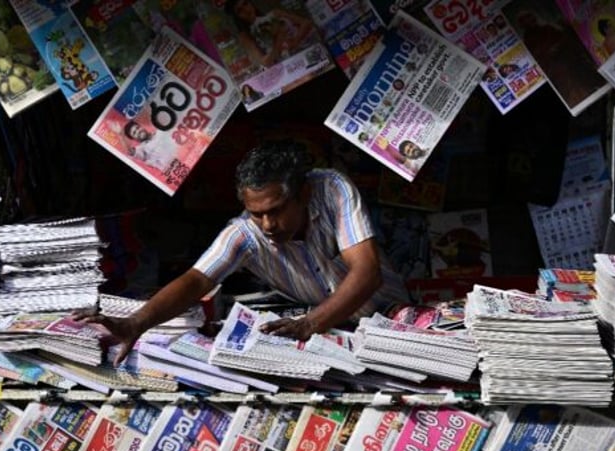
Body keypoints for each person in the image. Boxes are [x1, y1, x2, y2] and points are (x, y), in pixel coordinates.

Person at [76, 141, 409, 364]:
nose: (267, 224)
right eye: (256, 213)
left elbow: (366, 272)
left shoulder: (331, 189)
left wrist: (310, 323)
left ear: (303, 193)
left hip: (396, 320)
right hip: (337, 338)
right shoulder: (244, 234)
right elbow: (196, 280)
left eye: (276, 210)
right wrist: (136, 323)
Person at [225, 0, 315, 67]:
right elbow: (265, 62)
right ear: (237, 17)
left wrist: (295, 41)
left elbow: (306, 22)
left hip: (308, 48)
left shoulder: (275, 13)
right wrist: (278, 40)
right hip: (288, 63)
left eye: (245, 3)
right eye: (240, 10)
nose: (246, 9)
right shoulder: (247, 35)